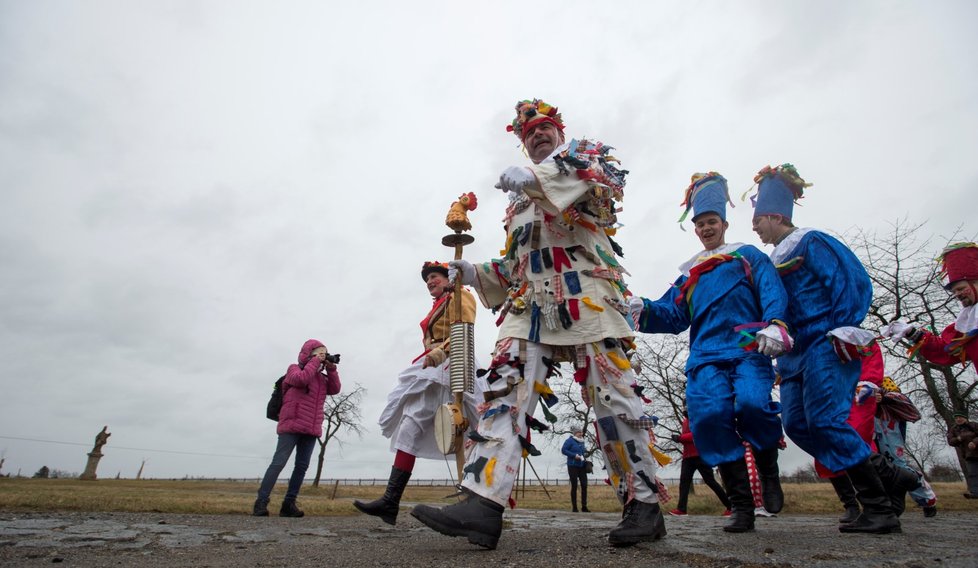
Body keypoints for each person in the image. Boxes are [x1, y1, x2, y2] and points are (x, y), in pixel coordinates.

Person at [411, 99, 665, 549]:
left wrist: (536, 178)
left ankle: (644, 504)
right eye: (528, 134)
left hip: (588, 297)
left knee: (613, 399)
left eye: (544, 128)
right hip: (529, 307)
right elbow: (517, 263)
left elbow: (601, 188)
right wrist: (475, 273)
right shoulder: (517, 204)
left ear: (559, 133)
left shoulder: (587, 160)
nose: (536, 135)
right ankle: (483, 504)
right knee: (503, 392)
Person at [748, 164, 919, 534]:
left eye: (758, 218)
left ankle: (878, 508)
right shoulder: (770, 260)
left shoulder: (813, 241)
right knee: (796, 425)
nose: (754, 226)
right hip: (793, 354)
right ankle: (889, 475)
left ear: (776, 215)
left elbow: (850, 280)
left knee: (826, 420)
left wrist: (844, 326)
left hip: (825, 341)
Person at [629, 172, 789, 533]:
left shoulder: (747, 256)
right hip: (704, 357)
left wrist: (777, 323)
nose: (705, 228)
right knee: (709, 420)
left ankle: (767, 464)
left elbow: (771, 290)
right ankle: (742, 507)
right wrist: (644, 308)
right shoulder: (690, 273)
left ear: (724, 224)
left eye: (711, 222)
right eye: (700, 224)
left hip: (747, 348)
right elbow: (674, 315)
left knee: (752, 405)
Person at [354, 262, 485, 525]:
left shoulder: (463, 296)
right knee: (409, 426)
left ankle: (480, 503)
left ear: (448, 277)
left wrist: (439, 353)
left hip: (453, 362)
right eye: (427, 279)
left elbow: (465, 331)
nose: (429, 282)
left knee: (477, 429)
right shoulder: (436, 305)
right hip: (430, 369)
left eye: (434, 277)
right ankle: (390, 501)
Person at [253, 339, 341, 518]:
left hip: (311, 427)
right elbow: (300, 380)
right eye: (319, 353)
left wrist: (331, 369)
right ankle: (261, 502)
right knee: (279, 462)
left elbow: (335, 389)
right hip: (291, 424)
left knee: (301, 466)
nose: (322, 356)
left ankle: (289, 504)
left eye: (325, 353)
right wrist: (315, 362)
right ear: (308, 354)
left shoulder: (322, 378)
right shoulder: (294, 369)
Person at [874, 377, 938, 516]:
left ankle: (927, 499)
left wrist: (883, 398)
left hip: (888, 428)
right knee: (878, 469)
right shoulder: (854, 378)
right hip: (869, 432)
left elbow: (899, 397)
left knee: (898, 465)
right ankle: (887, 505)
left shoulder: (882, 380)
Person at [669, 410, 732, 517]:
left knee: (710, 481)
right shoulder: (685, 421)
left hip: (700, 455)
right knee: (684, 483)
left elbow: (697, 434)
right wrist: (680, 438)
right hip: (687, 456)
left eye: (687, 404)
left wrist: (680, 438)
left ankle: (731, 507)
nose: (685, 407)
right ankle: (681, 509)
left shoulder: (699, 417)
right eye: (684, 405)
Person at [561, 427, 590, 512]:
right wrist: (574, 455)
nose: (581, 434)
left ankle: (584, 506)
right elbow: (563, 450)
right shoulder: (569, 441)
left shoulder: (582, 442)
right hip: (572, 465)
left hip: (582, 466)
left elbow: (582, 452)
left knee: (584, 485)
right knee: (574, 486)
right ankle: (574, 507)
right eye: (579, 432)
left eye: (581, 432)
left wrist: (584, 456)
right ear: (575, 433)